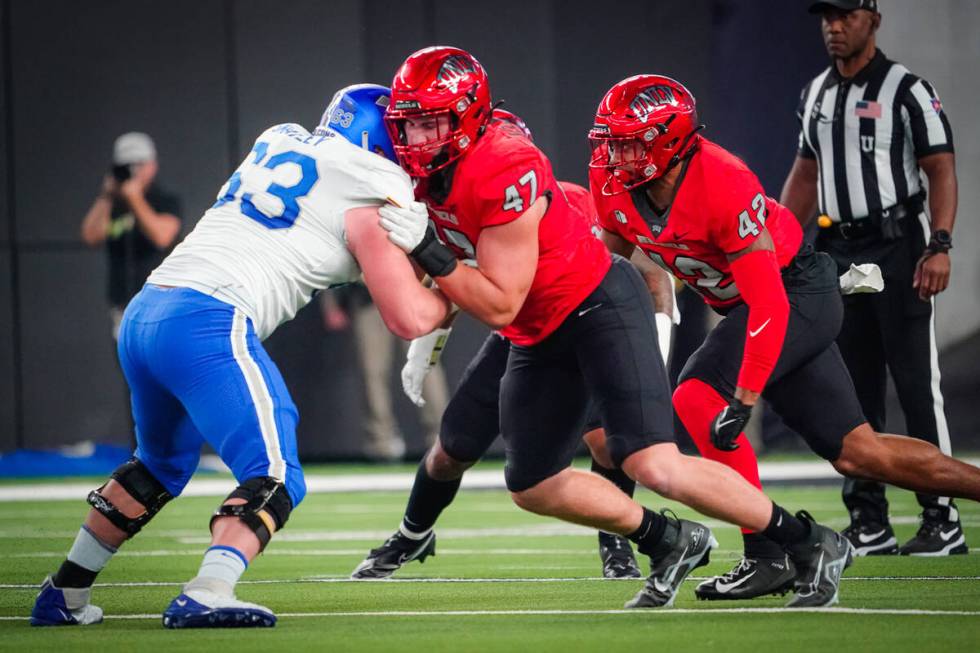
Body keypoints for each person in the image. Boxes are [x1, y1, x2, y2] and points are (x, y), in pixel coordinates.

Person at [372, 46, 851, 609]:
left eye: (433, 122)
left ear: (469, 114)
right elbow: (461, 290)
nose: (418, 139)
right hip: (537, 329)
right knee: (531, 485)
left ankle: (809, 541)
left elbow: (497, 301)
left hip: (594, 307)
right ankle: (669, 538)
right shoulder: (415, 171)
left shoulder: (504, 163)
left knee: (652, 462)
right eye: (410, 124)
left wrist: (427, 249)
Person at [30, 84, 452, 629]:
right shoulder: (369, 190)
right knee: (274, 474)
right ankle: (210, 588)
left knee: (158, 465)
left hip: (147, 311)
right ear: (378, 142)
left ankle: (65, 591)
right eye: (404, 136)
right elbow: (410, 317)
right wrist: (456, 276)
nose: (412, 147)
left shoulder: (281, 140)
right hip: (207, 318)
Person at [586, 73, 980, 603]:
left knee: (698, 394)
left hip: (795, 293)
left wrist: (745, 399)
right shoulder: (612, 183)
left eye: (630, 141)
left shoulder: (722, 181)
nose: (616, 155)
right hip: (758, 306)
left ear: (669, 139)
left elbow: (769, 301)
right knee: (861, 455)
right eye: (611, 142)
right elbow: (602, 264)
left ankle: (768, 555)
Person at [351, 108, 674, 582]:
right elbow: (461, 278)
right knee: (450, 448)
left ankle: (619, 542)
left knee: (604, 444)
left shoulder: (564, 200)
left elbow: (647, 273)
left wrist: (656, 347)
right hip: (522, 334)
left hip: (584, 326)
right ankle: (412, 533)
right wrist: (428, 346)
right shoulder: (456, 201)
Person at [780, 0, 964, 557]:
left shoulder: (907, 89)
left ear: (873, 20)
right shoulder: (814, 93)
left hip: (898, 245)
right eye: (826, 18)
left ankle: (942, 517)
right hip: (838, 251)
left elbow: (941, 168)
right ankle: (869, 520)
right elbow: (805, 174)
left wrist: (940, 244)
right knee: (852, 388)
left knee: (914, 385)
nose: (835, 27)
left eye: (847, 16)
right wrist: (781, 245)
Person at [320, 282, 450, 460]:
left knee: (425, 365)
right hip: (368, 297)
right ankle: (381, 443)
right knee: (372, 374)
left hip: (412, 292)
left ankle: (442, 438)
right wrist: (331, 303)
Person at [80, 132, 182, 339]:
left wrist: (134, 198)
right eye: (126, 166)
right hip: (123, 307)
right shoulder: (113, 205)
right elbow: (91, 236)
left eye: (138, 165)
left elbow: (162, 237)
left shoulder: (165, 201)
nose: (133, 171)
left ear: (152, 166)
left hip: (160, 306)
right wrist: (106, 196)